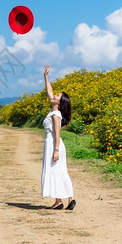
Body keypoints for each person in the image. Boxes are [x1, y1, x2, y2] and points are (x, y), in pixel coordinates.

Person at [41, 64, 76, 210]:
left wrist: (55, 150)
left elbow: (57, 133)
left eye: (57, 96)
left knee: (57, 171)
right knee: (58, 171)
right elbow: (49, 90)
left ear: (60, 103)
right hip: (52, 144)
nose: (54, 96)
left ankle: (66, 199)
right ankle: (63, 200)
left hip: (54, 145)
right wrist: (46, 76)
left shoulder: (56, 115)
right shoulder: (53, 110)